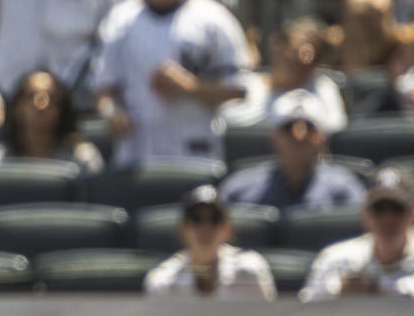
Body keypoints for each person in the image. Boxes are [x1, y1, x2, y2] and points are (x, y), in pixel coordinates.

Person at [93, 0, 252, 167]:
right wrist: (112, 113)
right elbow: (104, 91)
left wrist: (192, 87)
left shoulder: (214, 19)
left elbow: (241, 88)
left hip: (195, 151)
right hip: (136, 154)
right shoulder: (120, 20)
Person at [300, 166, 414, 301]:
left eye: (397, 209)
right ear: (365, 213)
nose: (388, 218)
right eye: (379, 209)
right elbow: (306, 314)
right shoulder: (335, 260)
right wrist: (338, 296)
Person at [220, 92, 366, 211]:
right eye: (288, 128)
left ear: (322, 138)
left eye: (309, 128)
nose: (299, 137)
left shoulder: (343, 189)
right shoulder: (239, 189)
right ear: (273, 137)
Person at [143, 184, 276, 299]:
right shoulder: (162, 282)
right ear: (182, 230)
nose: (205, 228)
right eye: (196, 219)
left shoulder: (250, 272)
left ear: (227, 229)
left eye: (214, 219)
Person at [224, 17, 346, 132]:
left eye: (313, 56)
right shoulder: (245, 85)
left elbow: (334, 129)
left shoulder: (323, 88)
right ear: (277, 46)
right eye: (298, 51)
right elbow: (221, 123)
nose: (303, 60)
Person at [0, 70, 104, 173]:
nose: (41, 105)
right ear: (16, 108)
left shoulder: (82, 159)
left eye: (51, 97)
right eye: (30, 96)